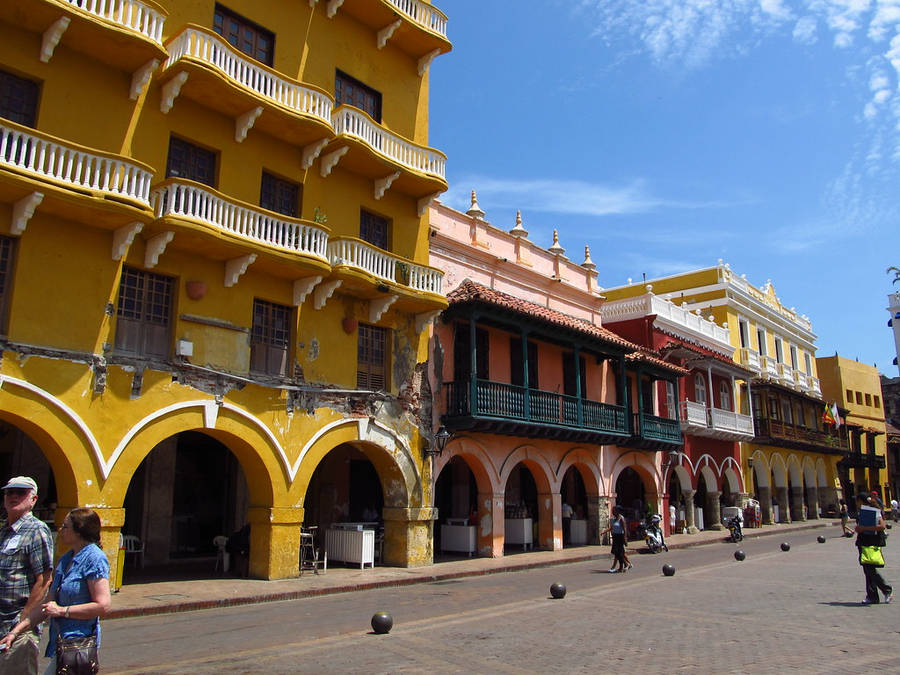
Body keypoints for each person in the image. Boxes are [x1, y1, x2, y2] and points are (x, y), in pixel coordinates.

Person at [38, 508, 111, 673]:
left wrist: (62, 611)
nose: (60, 530)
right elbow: (48, 602)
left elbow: (103, 605)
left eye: (65, 527)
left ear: (79, 531)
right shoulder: (66, 559)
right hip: (61, 643)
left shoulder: (94, 558)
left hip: (78, 645)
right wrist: (18, 630)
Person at [0, 476, 53, 675]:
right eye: (9, 492)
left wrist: (23, 622)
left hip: (17, 625)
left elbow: (44, 579)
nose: (13, 496)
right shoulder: (4, 530)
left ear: (33, 499)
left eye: (20, 492)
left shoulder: (37, 530)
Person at [854, 493, 893, 605]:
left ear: (861, 501)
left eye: (857, 501)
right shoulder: (862, 512)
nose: (856, 503)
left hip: (871, 543)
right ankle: (872, 596)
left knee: (869, 569)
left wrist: (863, 528)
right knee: (867, 570)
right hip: (863, 541)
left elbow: (882, 526)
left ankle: (886, 589)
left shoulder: (873, 511)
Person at [600, 506, 631, 573]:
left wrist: (625, 538)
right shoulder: (614, 519)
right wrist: (604, 532)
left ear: (617, 511)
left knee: (620, 553)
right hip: (615, 537)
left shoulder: (621, 518)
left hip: (620, 537)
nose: (613, 512)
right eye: (612, 510)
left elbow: (624, 529)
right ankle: (623, 566)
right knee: (616, 552)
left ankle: (624, 565)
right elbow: (611, 528)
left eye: (614, 510)